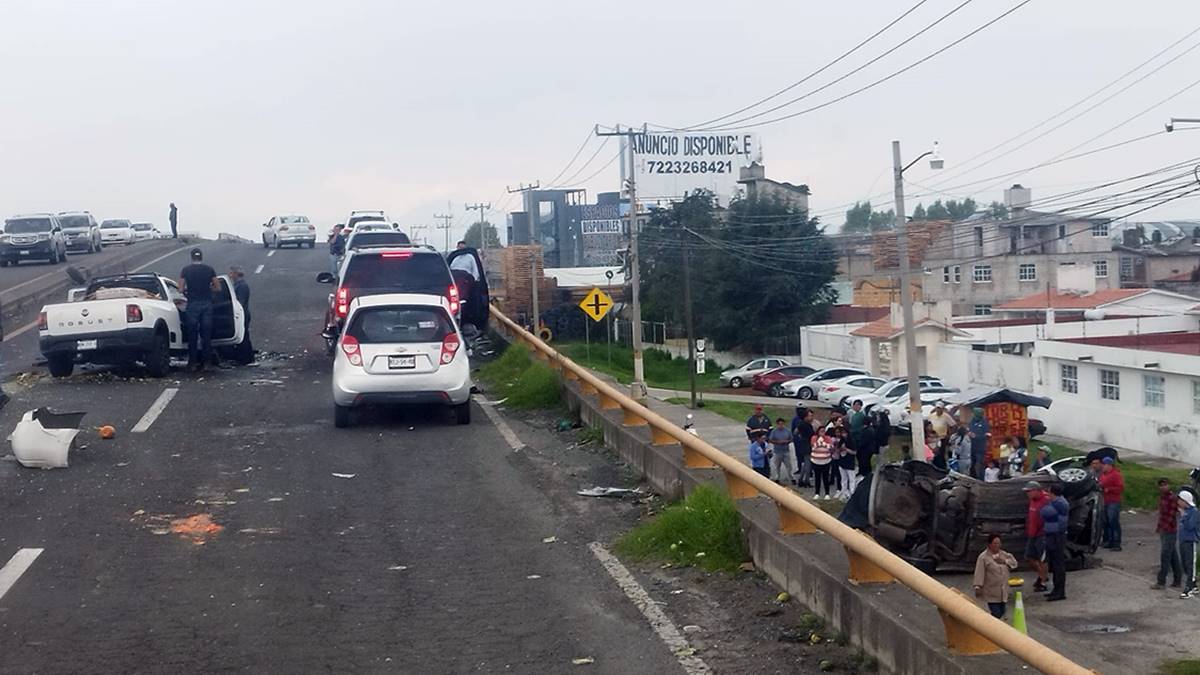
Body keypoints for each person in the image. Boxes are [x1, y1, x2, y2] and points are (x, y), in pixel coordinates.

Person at [178, 248, 219, 372]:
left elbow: (180, 289)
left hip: (193, 304)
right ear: (201, 257)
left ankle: (192, 363)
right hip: (206, 304)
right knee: (206, 335)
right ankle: (207, 363)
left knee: (192, 335)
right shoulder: (209, 269)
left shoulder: (186, 270)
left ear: (191, 257)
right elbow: (218, 287)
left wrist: (187, 291)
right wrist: (208, 290)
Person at [973, 534, 1018, 619]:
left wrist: (1004, 561)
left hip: (1003, 591)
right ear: (989, 544)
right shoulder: (983, 557)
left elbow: (1014, 564)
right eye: (995, 543)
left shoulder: (1004, 554)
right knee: (996, 613)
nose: (997, 545)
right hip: (991, 592)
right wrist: (977, 586)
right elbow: (979, 572)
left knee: (1002, 612)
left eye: (999, 543)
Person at [1041, 483, 1070, 601]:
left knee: (1058, 564)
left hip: (1057, 535)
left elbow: (1044, 512)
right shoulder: (1057, 502)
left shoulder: (1059, 503)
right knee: (1054, 563)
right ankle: (1056, 589)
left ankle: (1059, 591)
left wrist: (1046, 503)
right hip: (1053, 534)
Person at [1153, 478, 1183, 590]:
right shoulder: (1162, 497)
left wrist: (1164, 528)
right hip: (1163, 530)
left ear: (1169, 485)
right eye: (1161, 485)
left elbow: (1171, 515)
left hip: (1170, 530)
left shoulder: (1172, 498)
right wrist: (1159, 528)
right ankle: (1177, 580)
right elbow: (1162, 515)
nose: (1163, 487)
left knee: (1165, 556)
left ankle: (1161, 582)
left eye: (1165, 485)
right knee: (1173, 556)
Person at [1023, 482, 1051, 593]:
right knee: (1029, 557)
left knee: (1043, 559)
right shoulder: (1032, 501)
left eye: (1029, 491)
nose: (1027, 494)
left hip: (1042, 534)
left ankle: (1043, 582)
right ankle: (1042, 575)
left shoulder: (1046, 500)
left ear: (1036, 490)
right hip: (1032, 533)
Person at [228, 265, 254, 365]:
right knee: (242, 336)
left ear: (235, 274)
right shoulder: (237, 285)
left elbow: (240, 302)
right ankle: (243, 357)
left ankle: (246, 358)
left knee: (243, 337)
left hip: (242, 315)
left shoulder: (242, 286)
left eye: (231, 273)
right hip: (241, 314)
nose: (230, 275)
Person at [1099, 457, 1125, 551]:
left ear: (1109, 465)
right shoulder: (1103, 475)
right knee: (1106, 522)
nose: (1102, 466)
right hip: (1105, 501)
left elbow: (1121, 488)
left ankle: (1116, 543)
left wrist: (1109, 489)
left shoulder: (1116, 475)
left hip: (1113, 501)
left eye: (1104, 464)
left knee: (1113, 521)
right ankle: (1109, 541)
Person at [1179, 490, 1199, 598]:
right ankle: (1194, 584)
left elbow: (1190, 526)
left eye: (1180, 500)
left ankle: (1189, 588)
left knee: (1191, 564)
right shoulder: (1186, 511)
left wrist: (1183, 516)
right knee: (1185, 564)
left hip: (1191, 541)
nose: (1178, 502)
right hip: (1183, 541)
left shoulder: (1194, 512)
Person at [848, 400, 873, 478]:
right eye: (854, 405)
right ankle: (861, 470)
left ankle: (865, 472)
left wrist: (852, 432)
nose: (855, 407)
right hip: (855, 438)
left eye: (856, 405)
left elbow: (858, 427)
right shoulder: (854, 414)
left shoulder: (861, 415)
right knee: (859, 457)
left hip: (859, 438)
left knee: (863, 458)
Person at [791, 407, 815, 487]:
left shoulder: (803, 424)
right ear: (805, 417)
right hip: (807, 445)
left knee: (805, 464)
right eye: (810, 416)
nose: (811, 418)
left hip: (805, 444)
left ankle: (801, 479)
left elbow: (795, 432)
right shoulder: (804, 424)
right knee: (808, 464)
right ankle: (806, 480)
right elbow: (796, 433)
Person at [767, 418, 794, 486]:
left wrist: (787, 441)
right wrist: (777, 442)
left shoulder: (787, 431)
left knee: (789, 466)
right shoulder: (774, 432)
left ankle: (792, 478)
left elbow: (791, 438)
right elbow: (770, 440)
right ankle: (777, 478)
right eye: (779, 424)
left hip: (786, 450)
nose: (781, 425)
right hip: (777, 451)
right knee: (777, 466)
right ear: (777, 424)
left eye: (782, 424)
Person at [809, 429, 834, 500]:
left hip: (826, 461)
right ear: (818, 432)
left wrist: (822, 443)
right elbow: (814, 446)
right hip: (816, 461)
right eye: (821, 431)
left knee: (825, 478)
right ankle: (817, 493)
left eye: (823, 431)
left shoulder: (828, 438)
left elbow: (831, 447)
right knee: (817, 478)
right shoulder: (814, 437)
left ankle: (827, 493)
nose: (822, 433)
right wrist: (822, 443)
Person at [967, 407, 990, 480]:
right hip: (971, 447)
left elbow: (987, 435)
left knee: (980, 464)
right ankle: (972, 478)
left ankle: (981, 479)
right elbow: (969, 429)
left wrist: (976, 436)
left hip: (980, 448)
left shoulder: (984, 423)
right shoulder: (972, 421)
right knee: (971, 464)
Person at [836, 428, 858, 500]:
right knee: (843, 479)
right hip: (842, 462)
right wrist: (839, 449)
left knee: (851, 479)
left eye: (844, 433)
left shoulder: (852, 441)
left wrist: (846, 449)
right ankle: (844, 492)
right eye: (842, 433)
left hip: (849, 462)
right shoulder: (841, 441)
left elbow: (854, 452)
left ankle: (852, 493)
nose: (843, 435)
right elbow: (837, 451)